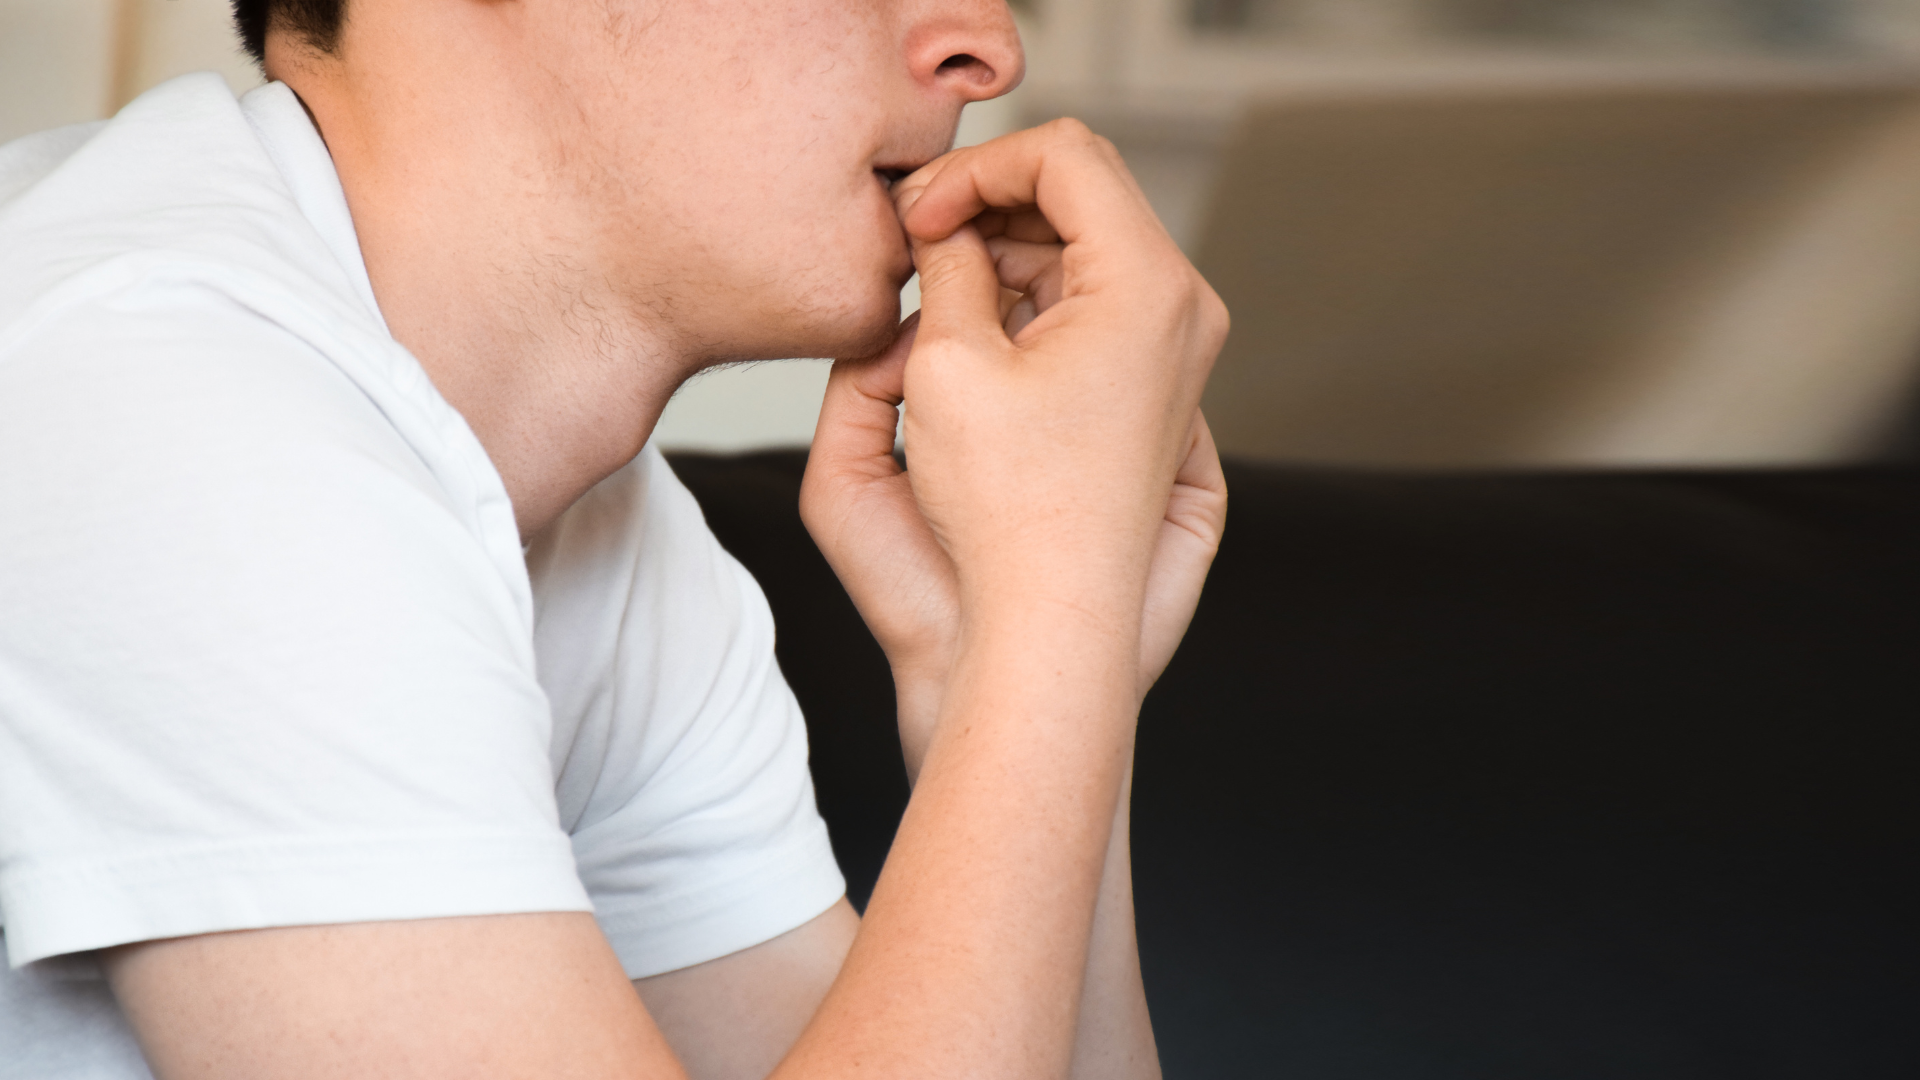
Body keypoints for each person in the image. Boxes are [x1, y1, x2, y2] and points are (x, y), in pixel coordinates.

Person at [0, 1, 1228, 1077]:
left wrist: (1025, 663)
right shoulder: (164, 397)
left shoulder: (606, 531)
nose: (988, 48)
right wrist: (1055, 595)